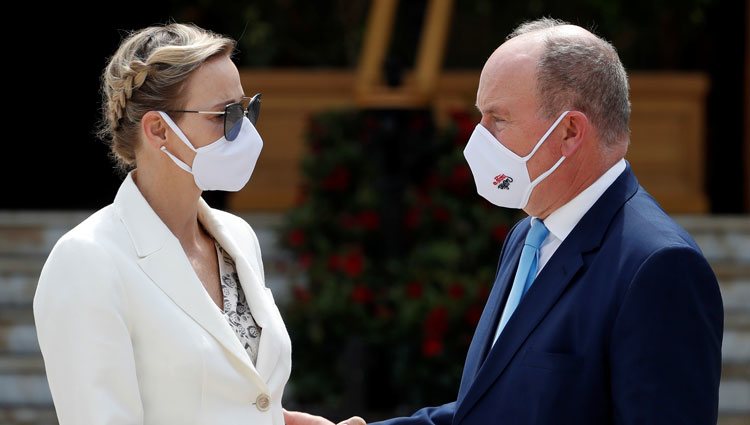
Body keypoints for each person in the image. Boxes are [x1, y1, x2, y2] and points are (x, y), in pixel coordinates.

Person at [284, 17, 724, 425]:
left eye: (497, 119)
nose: (478, 139)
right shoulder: (528, 236)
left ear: (570, 131)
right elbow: (495, 407)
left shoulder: (659, 266)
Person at [34, 23, 296, 425]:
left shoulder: (238, 238)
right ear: (158, 130)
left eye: (247, 109)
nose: (243, 129)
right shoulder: (87, 261)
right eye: (225, 114)